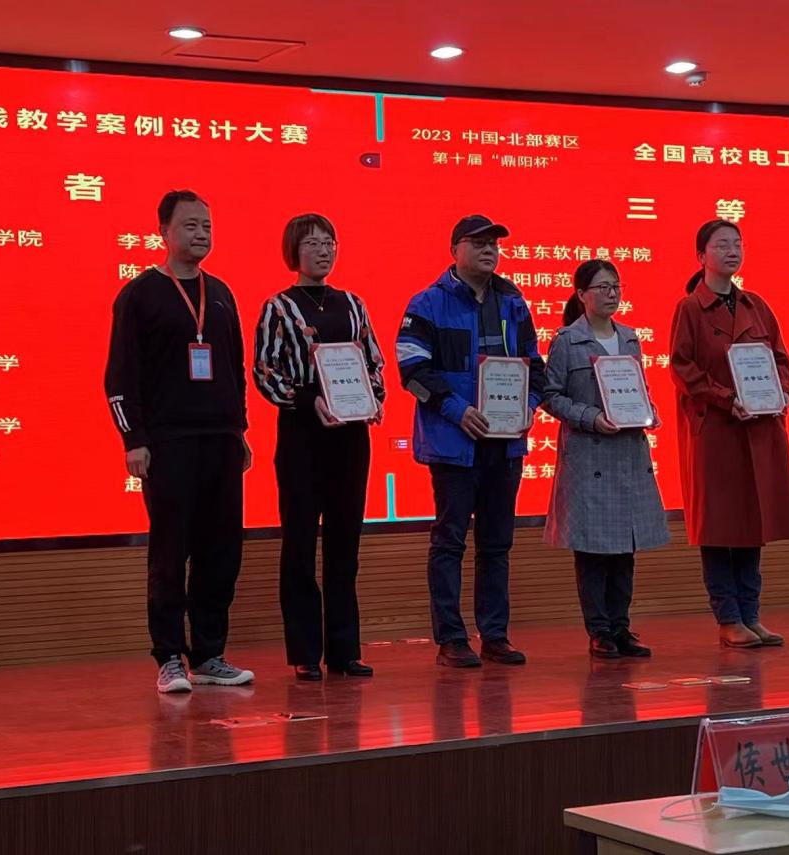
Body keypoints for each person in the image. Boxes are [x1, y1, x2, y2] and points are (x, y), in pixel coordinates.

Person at [104, 189, 254, 693]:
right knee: (171, 551)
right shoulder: (140, 294)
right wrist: (133, 439)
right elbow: (120, 376)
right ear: (163, 232)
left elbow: (234, 368)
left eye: (207, 226)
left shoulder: (222, 293)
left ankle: (209, 655)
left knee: (222, 551)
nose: (201, 234)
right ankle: (169, 656)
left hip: (221, 440)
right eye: (190, 226)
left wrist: (240, 429)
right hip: (168, 442)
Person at [396, 214, 546, 668]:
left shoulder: (513, 302)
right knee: (450, 542)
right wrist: (456, 410)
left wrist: (529, 406)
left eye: (494, 244)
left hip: (505, 444)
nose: (489, 250)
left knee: (497, 544)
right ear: (454, 250)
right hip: (453, 443)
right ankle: (451, 639)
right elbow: (412, 371)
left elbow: (535, 367)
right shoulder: (427, 304)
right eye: (478, 243)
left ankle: (495, 635)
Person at [253, 213, 386, 682]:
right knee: (300, 543)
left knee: (345, 544)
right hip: (303, 436)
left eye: (329, 242)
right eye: (311, 243)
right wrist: (311, 401)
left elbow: (373, 362)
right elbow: (265, 371)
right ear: (293, 251)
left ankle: (345, 651)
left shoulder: (353, 304)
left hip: (350, 436)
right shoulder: (278, 307)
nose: (323, 251)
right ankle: (305, 652)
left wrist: (372, 399)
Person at [669, 219, 789, 649]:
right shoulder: (690, 308)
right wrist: (728, 399)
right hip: (716, 432)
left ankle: (751, 614)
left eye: (738, 244)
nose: (732, 251)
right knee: (718, 527)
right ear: (701, 256)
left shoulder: (756, 305)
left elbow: (780, 358)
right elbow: (683, 369)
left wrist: (782, 392)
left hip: (757, 429)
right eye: (722, 244)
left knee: (751, 522)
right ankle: (728, 618)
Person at [543, 260, 670, 658]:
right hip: (589, 455)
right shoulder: (567, 341)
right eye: (602, 287)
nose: (612, 293)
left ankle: (621, 627)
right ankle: (599, 631)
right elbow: (550, 396)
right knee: (593, 552)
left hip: (627, 454)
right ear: (581, 295)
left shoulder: (630, 338)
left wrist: (648, 411)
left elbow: (637, 388)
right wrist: (591, 417)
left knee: (624, 550)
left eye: (616, 286)